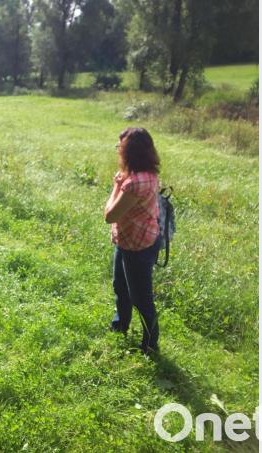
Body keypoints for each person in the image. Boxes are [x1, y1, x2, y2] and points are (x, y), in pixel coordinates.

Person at [104, 127, 162, 354]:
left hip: (137, 247)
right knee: (121, 286)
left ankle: (150, 345)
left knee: (141, 298)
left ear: (131, 152)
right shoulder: (149, 173)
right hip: (132, 241)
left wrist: (115, 186)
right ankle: (120, 325)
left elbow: (110, 215)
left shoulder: (133, 183)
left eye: (121, 147)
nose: (118, 151)